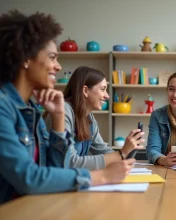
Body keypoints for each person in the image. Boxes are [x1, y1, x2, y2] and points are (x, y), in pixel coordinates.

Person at [0, 10, 136, 204]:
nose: (58, 66)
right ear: (25, 59)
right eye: (52, 57)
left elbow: (56, 166)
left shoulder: (31, 110)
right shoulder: (3, 107)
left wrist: (57, 117)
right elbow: (28, 178)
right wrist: (102, 177)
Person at [45, 66, 144, 170]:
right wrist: (121, 153)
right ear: (85, 91)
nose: (107, 96)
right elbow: (69, 162)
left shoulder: (89, 118)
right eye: (103, 89)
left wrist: (127, 153)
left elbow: (102, 150)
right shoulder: (63, 111)